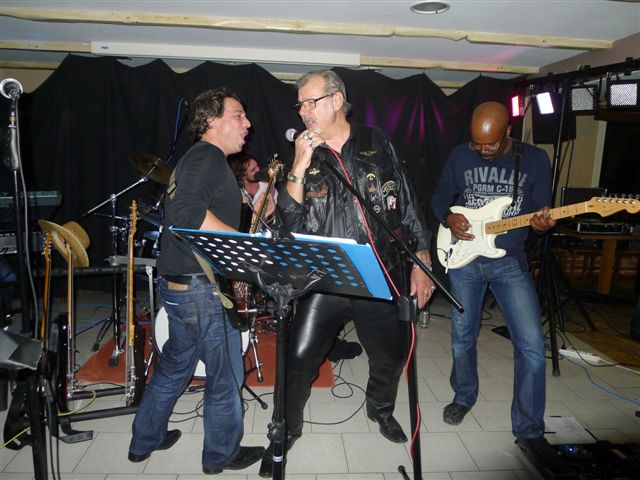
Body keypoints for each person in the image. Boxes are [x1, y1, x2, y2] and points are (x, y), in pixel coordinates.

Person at [259, 70, 435, 477]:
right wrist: (299, 165)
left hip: (379, 271)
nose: (303, 111)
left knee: (391, 356)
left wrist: (422, 260)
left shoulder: (377, 142)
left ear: (337, 100)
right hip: (324, 278)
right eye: (300, 105)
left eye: (311, 102)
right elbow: (288, 224)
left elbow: (406, 201)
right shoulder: (304, 156)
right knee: (298, 360)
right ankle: (284, 434)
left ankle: (380, 408)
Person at [128, 87, 265, 475]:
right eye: (238, 115)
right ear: (212, 120)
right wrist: (243, 246)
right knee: (225, 376)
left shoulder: (197, 159)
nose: (247, 123)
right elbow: (187, 214)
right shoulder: (207, 157)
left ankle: (145, 439)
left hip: (179, 286)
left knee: (175, 366)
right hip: (201, 290)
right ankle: (221, 455)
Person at [431, 102, 563, 460]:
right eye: (477, 143)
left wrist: (543, 224)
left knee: (532, 345)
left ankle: (529, 430)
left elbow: (542, 212)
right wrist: (448, 217)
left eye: (490, 144)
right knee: (462, 338)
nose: (483, 150)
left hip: (510, 262)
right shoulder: (460, 155)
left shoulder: (534, 159)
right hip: (465, 261)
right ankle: (463, 396)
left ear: (508, 132)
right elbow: (440, 198)